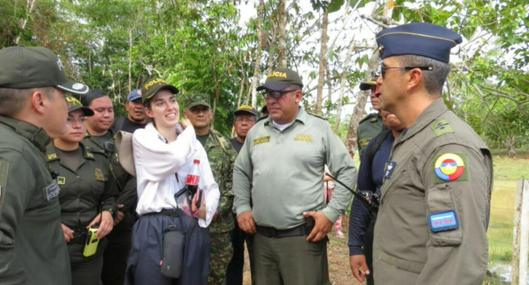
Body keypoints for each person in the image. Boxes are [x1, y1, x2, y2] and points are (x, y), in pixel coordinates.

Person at [372, 22, 493, 284]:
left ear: (413, 78)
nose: (378, 80)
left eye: (383, 70)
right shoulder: (415, 136)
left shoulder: (447, 148)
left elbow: (457, 264)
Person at [233, 68, 356, 285]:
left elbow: (346, 171)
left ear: (298, 96)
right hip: (262, 241)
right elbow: (241, 170)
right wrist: (242, 206)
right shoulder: (257, 131)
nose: (272, 100)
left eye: (279, 94)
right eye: (269, 94)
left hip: (302, 240)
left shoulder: (319, 129)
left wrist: (331, 212)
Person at [0, 46, 89, 284]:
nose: (67, 104)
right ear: (39, 101)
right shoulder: (11, 154)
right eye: (63, 95)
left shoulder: (21, 145)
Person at [125, 79, 220, 285]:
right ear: (149, 111)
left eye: (173, 100)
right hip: (155, 226)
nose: (170, 107)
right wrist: (189, 131)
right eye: (160, 103)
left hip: (190, 223)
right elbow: (173, 158)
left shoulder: (193, 144)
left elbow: (211, 186)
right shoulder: (142, 138)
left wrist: (205, 209)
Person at [47, 95, 116, 285]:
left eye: (82, 119)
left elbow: (109, 196)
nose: (77, 125)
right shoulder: (38, 157)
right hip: (51, 251)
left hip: (90, 252)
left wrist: (108, 213)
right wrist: (50, 224)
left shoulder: (99, 158)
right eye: (69, 119)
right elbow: (25, 205)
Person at [81, 89, 137, 285]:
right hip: (86, 222)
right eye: (100, 110)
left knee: (117, 275)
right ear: (86, 113)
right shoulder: (75, 139)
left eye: (110, 110)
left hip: (121, 221)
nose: (107, 115)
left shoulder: (124, 140)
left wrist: (117, 209)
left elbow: (137, 176)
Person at [184, 94, 238, 285]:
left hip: (218, 227)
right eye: (195, 110)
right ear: (186, 114)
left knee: (216, 275)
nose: (200, 114)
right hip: (184, 224)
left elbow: (234, 182)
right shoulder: (177, 143)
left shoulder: (224, 145)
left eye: (204, 110)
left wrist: (215, 210)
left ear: (211, 114)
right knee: (184, 272)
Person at [348, 109, 403, 285]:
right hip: (378, 234)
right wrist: (355, 246)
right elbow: (363, 195)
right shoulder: (377, 144)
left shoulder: (434, 141)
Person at [226, 104, 258, 285]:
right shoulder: (226, 146)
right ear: (235, 124)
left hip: (258, 212)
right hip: (232, 211)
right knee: (233, 258)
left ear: (256, 123)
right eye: (240, 119)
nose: (244, 123)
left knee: (259, 259)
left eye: (249, 119)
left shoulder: (262, 145)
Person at [356, 79, 384, 157]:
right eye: (372, 90)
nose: (372, 95)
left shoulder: (407, 123)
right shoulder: (365, 127)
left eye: (378, 89)